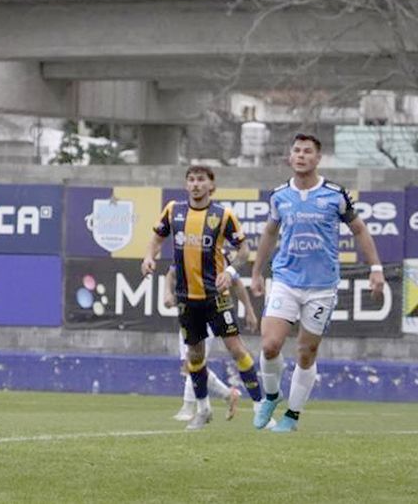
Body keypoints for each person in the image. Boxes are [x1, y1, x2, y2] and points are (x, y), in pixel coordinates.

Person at [250, 133, 385, 432]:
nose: (301, 155)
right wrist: (257, 272)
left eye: (307, 151)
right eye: (296, 150)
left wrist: (375, 268)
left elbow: (360, 230)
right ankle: (271, 396)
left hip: (322, 286)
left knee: (306, 352)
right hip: (285, 278)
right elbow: (270, 233)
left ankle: (292, 417)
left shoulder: (335, 195)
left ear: (317, 158)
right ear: (290, 156)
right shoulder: (279, 195)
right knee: (270, 345)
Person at [141, 165, 263, 430]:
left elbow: (243, 249)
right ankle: (203, 409)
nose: (196, 184)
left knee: (236, 349)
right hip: (187, 298)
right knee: (194, 357)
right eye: (191, 180)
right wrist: (149, 256)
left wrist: (230, 271)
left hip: (215, 297)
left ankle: (260, 408)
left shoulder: (223, 215)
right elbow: (156, 239)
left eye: (201, 180)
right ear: (186, 185)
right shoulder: (173, 210)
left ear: (211, 186)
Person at [161, 265, 258, 421]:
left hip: (209, 312)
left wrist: (249, 310)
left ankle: (189, 407)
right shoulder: (186, 247)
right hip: (188, 310)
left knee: (194, 361)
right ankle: (228, 395)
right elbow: (171, 273)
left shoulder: (217, 253)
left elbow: (237, 282)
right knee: (189, 365)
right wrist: (167, 293)